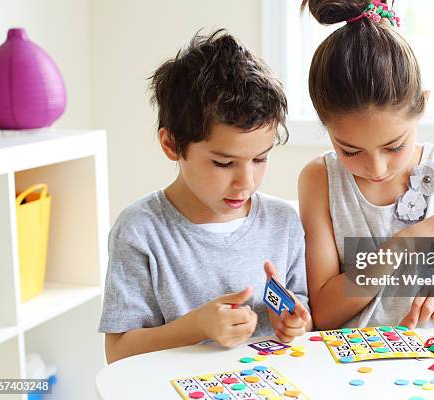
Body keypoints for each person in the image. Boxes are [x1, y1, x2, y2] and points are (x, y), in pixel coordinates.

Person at [299, 0, 434, 331]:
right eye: (350, 150)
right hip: (352, 370)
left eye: (394, 146)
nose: (376, 167)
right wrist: (403, 244)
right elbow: (325, 312)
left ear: (423, 105)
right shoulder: (319, 180)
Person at [99, 29, 311, 363]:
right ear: (171, 145)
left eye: (260, 158)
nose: (246, 181)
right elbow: (118, 351)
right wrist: (197, 325)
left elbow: (306, 318)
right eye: (224, 163)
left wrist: (295, 324)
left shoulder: (283, 222)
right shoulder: (140, 230)